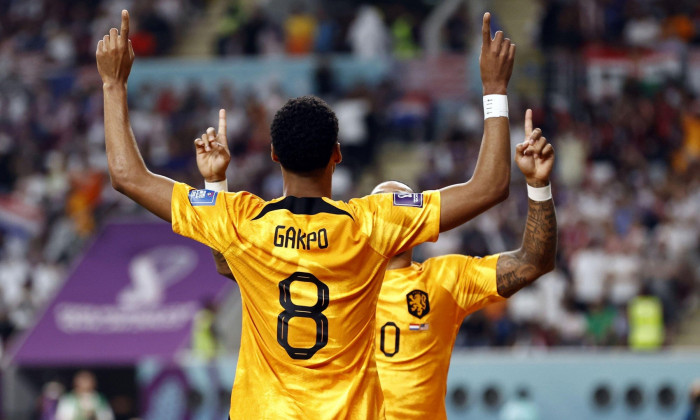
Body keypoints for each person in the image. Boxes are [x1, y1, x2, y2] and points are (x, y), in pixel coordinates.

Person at [96, 10, 515, 419]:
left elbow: (127, 176)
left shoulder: (243, 223)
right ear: (337, 154)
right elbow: (489, 186)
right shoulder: (373, 224)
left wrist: (114, 84)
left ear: (274, 154)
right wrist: (494, 88)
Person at [211, 111, 557, 419]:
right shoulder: (326, 268)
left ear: (414, 224)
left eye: (400, 204)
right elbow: (230, 263)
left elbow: (532, 262)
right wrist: (216, 183)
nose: (390, 212)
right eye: (381, 205)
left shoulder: (446, 281)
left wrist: (538, 185)